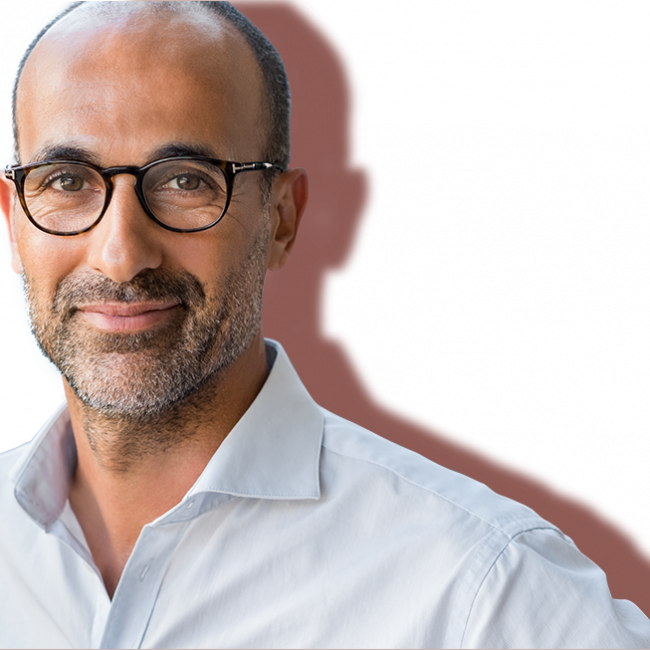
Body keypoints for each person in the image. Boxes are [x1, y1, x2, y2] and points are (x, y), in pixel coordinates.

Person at [0, 1, 648, 647]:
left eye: (185, 181)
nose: (120, 254)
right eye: (66, 181)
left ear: (281, 220)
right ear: (12, 220)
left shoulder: (489, 593)